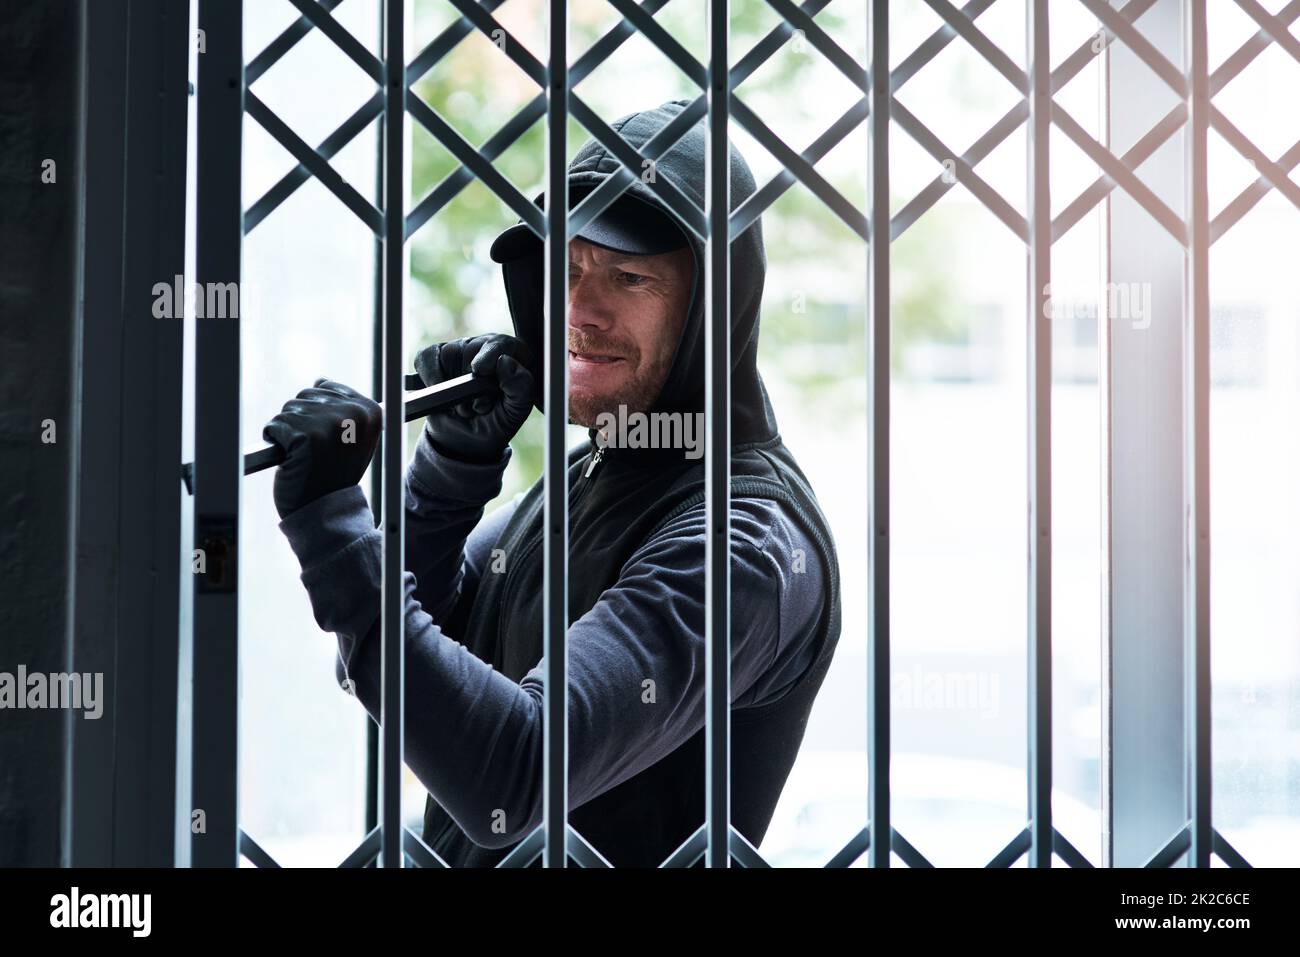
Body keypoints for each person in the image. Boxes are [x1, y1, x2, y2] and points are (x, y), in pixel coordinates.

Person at [263, 99, 842, 868]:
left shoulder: (745, 543)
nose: (579, 311)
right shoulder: (589, 473)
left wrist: (334, 526)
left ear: (713, 306)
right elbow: (414, 689)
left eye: (628, 277)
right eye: (566, 268)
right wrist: (448, 474)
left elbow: (507, 775)